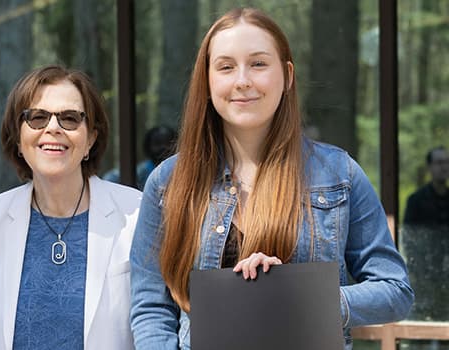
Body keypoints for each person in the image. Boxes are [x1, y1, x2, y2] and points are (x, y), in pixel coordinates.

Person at [129, 8, 413, 350]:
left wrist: (300, 296)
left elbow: (395, 290)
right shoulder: (168, 181)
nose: (242, 80)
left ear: (288, 76)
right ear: (206, 81)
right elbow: (151, 307)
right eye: (226, 67)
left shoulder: (339, 174)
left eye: (258, 64)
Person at [0, 65, 140, 349]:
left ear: (91, 139)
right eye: (37, 117)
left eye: (70, 118)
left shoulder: (136, 214)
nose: (53, 128)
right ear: (18, 138)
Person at [402, 146, 449, 322]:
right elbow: (409, 241)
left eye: (446, 162)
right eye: (439, 162)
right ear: (430, 167)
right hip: (425, 278)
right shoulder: (416, 201)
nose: (444, 167)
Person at [103, 125, 178, 189]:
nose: (163, 148)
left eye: (168, 144)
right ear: (148, 146)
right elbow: (110, 178)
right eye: (157, 144)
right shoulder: (140, 173)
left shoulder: (178, 171)